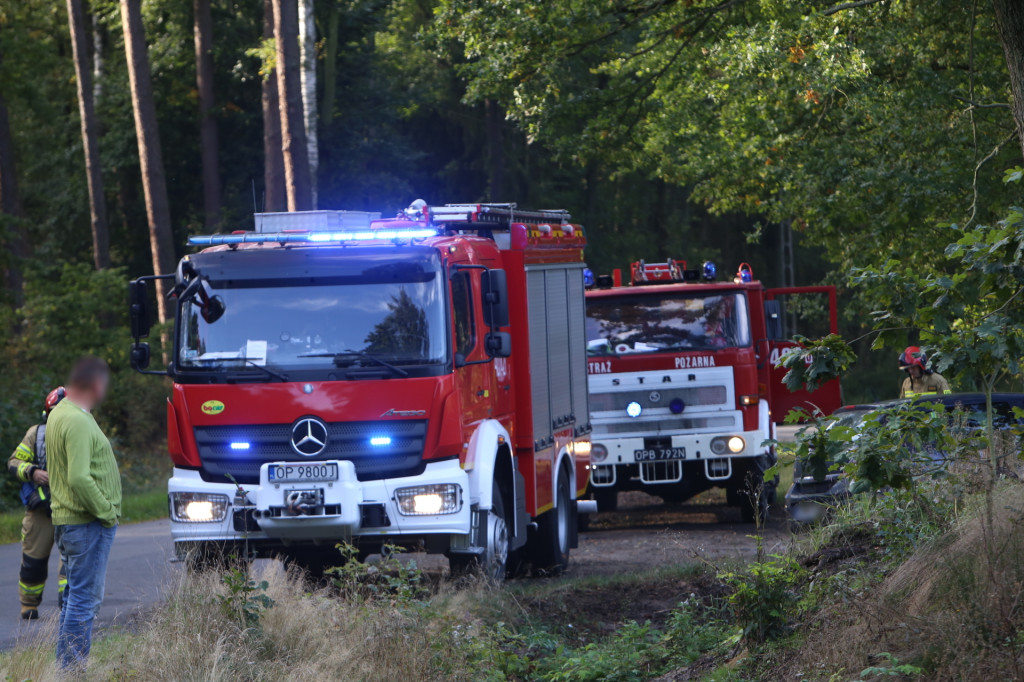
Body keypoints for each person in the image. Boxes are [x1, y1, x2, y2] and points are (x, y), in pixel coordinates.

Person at [47, 356, 121, 670]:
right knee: (83, 601)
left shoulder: (63, 412)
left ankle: (64, 667)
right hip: (86, 523)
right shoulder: (76, 420)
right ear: (94, 384)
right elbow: (78, 477)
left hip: (73, 522)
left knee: (74, 598)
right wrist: (106, 511)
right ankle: (72, 670)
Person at [7, 387, 68, 620]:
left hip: (71, 509)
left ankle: (69, 605)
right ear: (47, 413)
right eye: (56, 411)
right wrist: (32, 472)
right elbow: (14, 462)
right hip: (40, 510)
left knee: (71, 563)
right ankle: (29, 605)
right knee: (33, 561)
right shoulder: (35, 434)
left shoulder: (82, 433)